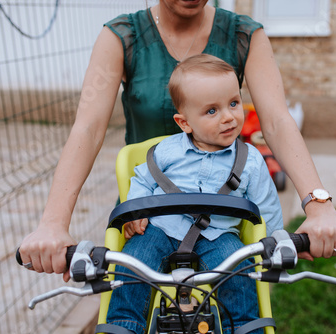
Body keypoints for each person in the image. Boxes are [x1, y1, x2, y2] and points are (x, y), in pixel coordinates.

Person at [19, 0, 336, 287]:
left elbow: (277, 121)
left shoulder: (243, 34)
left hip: (220, 218)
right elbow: (88, 128)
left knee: (236, 296)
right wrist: (53, 223)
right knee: (130, 296)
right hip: (149, 215)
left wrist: (319, 206)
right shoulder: (123, 36)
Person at [109, 53, 281, 334]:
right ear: (184, 123)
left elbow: (266, 204)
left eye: (234, 103)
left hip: (218, 236)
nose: (228, 117)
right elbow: (141, 177)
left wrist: (274, 244)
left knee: (238, 276)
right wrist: (134, 210)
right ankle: (124, 326)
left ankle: (246, 327)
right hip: (159, 230)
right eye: (212, 111)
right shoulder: (168, 150)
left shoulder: (250, 160)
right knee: (131, 268)